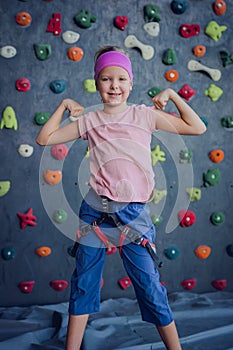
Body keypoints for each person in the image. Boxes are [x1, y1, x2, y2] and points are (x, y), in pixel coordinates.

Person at [36, 45, 206, 350]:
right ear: (96, 82)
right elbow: (44, 138)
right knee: (84, 282)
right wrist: (63, 106)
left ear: (131, 84)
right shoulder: (90, 120)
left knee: (149, 285)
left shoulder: (145, 116)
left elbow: (197, 126)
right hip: (94, 212)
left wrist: (172, 94)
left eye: (121, 79)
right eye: (106, 78)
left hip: (133, 215)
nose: (114, 85)